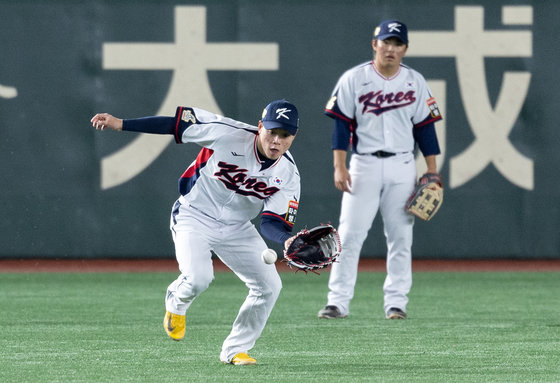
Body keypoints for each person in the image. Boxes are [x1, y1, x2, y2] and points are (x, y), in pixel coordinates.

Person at [91, 99, 301, 365]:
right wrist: (121, 124)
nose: (276, 141)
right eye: (272, 132)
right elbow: (175, 124)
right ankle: (176, 302)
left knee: (270, 286)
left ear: (293, 136)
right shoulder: (228, 133)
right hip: (194, 215)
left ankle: (235, 350)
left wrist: (288, 239)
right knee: (199, 278)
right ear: (260, 127)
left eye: (285, 135)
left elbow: (271, 222)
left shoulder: (289, 174)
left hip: (237, 228)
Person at [317, 19, 442, 320]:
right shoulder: (354, 79)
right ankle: (337, 302)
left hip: (401, 165)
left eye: (397, 43)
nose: (390, 48)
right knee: (349, 235)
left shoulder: (414, 81)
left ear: (405, 49)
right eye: (385, 42)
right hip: (364, 164)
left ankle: (396, 303)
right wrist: (339, 165)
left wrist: (432, 173)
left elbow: (425, 129)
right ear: (375, 44)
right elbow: (341, 125)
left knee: (401, 237)